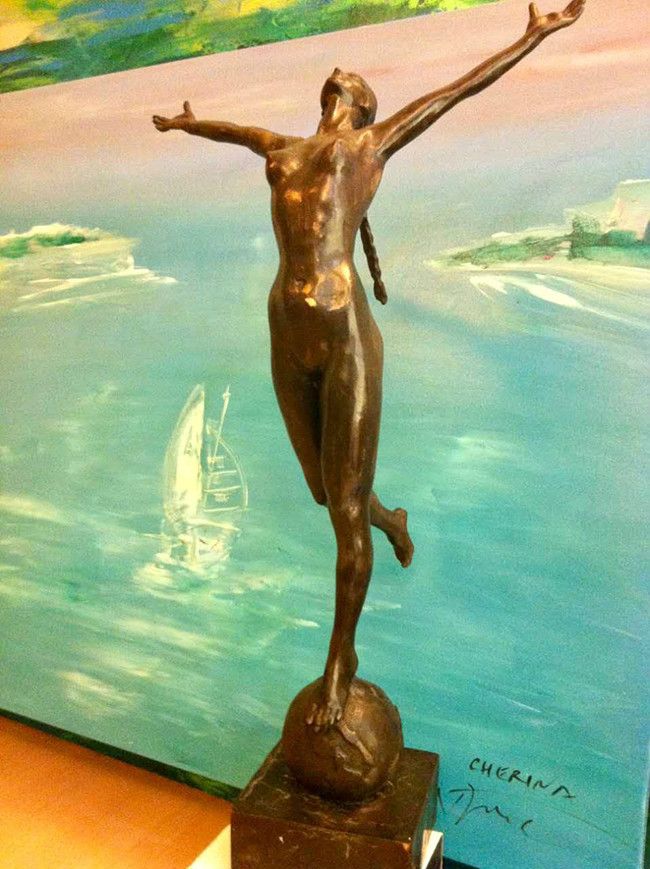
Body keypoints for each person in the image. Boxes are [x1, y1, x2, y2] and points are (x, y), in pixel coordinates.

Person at [153, 0, 586, 729]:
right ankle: (392, 518)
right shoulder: (285, 148)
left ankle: (339, 662)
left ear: (359, 103)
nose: (337, 73)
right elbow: (237, 134)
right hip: (286, 325)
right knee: (326, 493)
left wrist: (532, 37)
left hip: (346, 333)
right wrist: (189, 125)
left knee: (344, 514)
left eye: (348, 78)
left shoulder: (372, 145)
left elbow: (457, 91)